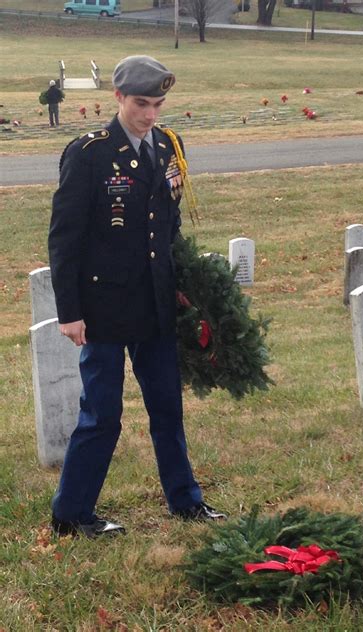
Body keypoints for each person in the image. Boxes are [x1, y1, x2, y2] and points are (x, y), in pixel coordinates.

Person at [48, 55, 226, 538]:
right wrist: (69, 312)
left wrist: (185, 287)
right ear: (118, 99)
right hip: (103, 307)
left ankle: (185, 501)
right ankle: (71, 513)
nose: (150, 115)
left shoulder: (169, 144)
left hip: (156, 304)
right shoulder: (88, 152)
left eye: (158, 104)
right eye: (141, 104)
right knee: (102, 415)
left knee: (167, 407)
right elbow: (64, 238)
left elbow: (168, 226)